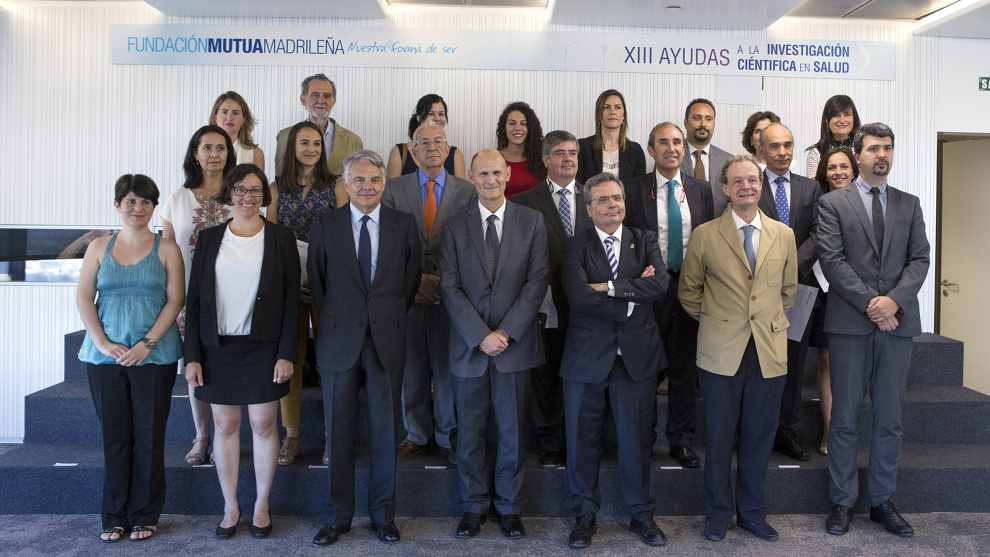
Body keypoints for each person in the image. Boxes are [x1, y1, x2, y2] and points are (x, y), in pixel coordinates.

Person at [679, 155, 798, 543]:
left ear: (760, 185)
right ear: (725, 189)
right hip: (720, 350)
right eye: (738, 181)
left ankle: (751, 512)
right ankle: (717, 513)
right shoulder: (705, 234)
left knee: (759, 437)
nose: (746, 186)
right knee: (718, 438)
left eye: (753, 179)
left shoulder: (783, 234)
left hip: (768, 349)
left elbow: (788, 291)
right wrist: (719, 320)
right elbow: (689, 291)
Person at [820, 123, 930, 538]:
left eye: (887, 147)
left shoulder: (910, 204)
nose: (881, 154)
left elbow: (920, 259)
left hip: (896, 324)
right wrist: (873, 303)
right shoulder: (833, 203)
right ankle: (842, 502)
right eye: (873, 148)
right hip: (851, 323)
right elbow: (832, 260)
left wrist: (893, 301)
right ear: (857, 154)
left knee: (890, 419)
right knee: (845, 417)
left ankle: (882, 502)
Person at [308, 150, 421, 547]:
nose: (367, 186)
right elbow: (318, 284)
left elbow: (409, 283)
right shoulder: (325, 225)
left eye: (374, 179)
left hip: (386, 339)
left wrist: (383, 315)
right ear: (346, 184)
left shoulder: (404, 225)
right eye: (359, 180)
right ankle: (337, 517)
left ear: (383, 183)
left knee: (385, 433)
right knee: (338, 432)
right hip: (339, 339)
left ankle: (383, 516)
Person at [184, 164, 300, 540]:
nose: (247, 197)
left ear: (264, 196)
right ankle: (230, 506)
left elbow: (291, 302)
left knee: (263, 425)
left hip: (265, 348)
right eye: (240, 190)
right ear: (229, 194)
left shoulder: (281, 238)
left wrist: (287, 353)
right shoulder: (209, 238)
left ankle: (261, 505)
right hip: (217, 347)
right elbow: (195, 300)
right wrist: (192, 355)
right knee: (225, 425)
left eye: (255, 190)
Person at [440, 149, 548, 540]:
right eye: (482, 173)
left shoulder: (532, 221)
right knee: (469, 433)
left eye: (496, 173)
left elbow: (537, 282)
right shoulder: (454, 226)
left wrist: (505, 333)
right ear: (471, 177)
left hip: (514, 345)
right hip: (469, 346)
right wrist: (480, 335)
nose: (490, 180)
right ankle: (473, 507)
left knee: (512, 432)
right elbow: (449, 286)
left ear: (507, 175)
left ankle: (509, 508)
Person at [560, 172, 669, 549]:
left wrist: (607, 287)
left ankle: (641, 515)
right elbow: (578, 297)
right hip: (586, 357)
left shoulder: (646, 239)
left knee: (636, 441)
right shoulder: (574, 246)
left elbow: (660, 285)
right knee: (581, 441)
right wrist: (632, 295)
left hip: (636, 358)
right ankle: (583, 516)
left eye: (617, 198)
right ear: (589, 208)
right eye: (603, 199)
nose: (612, 205)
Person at [77, 174, 184, 543]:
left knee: (149, 437)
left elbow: (176, 300)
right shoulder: (98, 247)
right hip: (104, 358)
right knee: (115, 437)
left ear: (154, 207)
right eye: (131, 201)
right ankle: (114, 515)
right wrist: (103, 343)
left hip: (154, 356)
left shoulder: (167, 249)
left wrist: (147, 344)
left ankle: (145, 515)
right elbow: (83, 298)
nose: (138, 208)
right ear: (117, 205)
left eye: (145, 202)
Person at [382, 123, 476, 464]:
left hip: (452, 298)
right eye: (424, 142)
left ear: (448, 150)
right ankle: (416, 435)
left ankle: (448, 435)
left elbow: (472, 245)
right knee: (412, 369)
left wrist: (442, 283)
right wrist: (415, 282)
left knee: (447, 369)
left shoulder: (467, 191)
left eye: (439, 141)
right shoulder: (393, 189)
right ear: (413, 150)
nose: (432, 147)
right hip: (407, 296)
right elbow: (386, 244)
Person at [624, 122, 714, 469]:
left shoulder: (701, 189)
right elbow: (625, 237)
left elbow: (708, 237)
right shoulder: (633, 189)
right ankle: (643, 439)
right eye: (663, 142)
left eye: (677, 141)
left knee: (684, 369)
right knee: (647, 371)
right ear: (651, 150)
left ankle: (681, 440)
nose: (672, 147)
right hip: (649, 291)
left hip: (689, 289)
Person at [266, 120, 345, 466]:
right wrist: (290, 281)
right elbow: (270, 237)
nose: (311, 149)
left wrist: (320, 279)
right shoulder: (275, 188)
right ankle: (292, 435)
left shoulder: (336, 184)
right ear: (292, 148)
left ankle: (331, 434)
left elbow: (345, 236)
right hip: (288, 284)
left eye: (316, 143)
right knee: (291, 359)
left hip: (328, 283)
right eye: (304, 143)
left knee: (329, 360)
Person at [513, 130, 593, 469]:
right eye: (560, 153)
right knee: (545, 375)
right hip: (545, 303)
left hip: (588, 302)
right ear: (545, 159)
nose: (568, 159)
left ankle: (578, 440)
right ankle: (549, 442)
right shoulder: (525, 201)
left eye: (573, 153)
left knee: (581, 374)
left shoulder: (594, 196)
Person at [160, 124, 236, 466]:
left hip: (232, 295)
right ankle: (201, 435)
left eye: (221, 148)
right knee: (194, 364)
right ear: (195, 153)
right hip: (188, 295)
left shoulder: (240, 193)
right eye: (207, 148)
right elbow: (167, 251)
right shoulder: (178, 198)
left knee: (226, 364)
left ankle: (225, 434)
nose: (214, 154)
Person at [758, 122, 822, 462]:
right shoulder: (751, 184)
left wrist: (791, 266)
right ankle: (758, 431)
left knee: (794, 365)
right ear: (762, 150)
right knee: (759, 363)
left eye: (788, 145)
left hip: (799, 289)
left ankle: (787, 432)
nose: (782, 152)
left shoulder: (810, 188)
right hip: (759, 290)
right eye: (774, 146)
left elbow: (819, 233)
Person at [810, 146, 859, 456]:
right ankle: (830, 428)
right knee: (826, 359)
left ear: (854, 170)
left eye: (844, 166)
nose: (838, 172)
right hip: (821, 288)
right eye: (832, 167)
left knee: (852, 362)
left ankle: (846, 428)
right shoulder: (814, 202)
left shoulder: (866, 202)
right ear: (824, 173)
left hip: (856, 292)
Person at [274, 73, 363, 176]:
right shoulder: (285, 136)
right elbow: (281, 178)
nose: (321, 100)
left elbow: (358, 180)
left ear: (333, 101)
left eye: (327, 96)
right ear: (303, 100)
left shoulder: (353, 141)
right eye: (315, 95)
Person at [386, 94, 466, 179]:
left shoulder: (456, 155)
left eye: (441, 114)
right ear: (419, 118)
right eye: (431, 113)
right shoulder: (399, 152)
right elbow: (392, 186)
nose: (437, 118)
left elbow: (460, 186)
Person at [575, 90, 646, 183]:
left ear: (624, 115)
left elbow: (639, 187)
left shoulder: (635, 150)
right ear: (598, 114)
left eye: (617, 107)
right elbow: (578, 186)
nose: (612, 112)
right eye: (606, 107)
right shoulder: (582, 147)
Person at [680, 98, 732, 216]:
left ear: (714, 124)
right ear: (685, 122)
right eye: (697, 118)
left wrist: (719, 224)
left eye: (708, 119)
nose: (703, 124)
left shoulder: (728, 161)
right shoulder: (672, 157)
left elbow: (735, 198)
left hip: (719, 224)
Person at [496, 101, 546, 199]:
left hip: (535, 209)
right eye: (512, 123)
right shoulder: (494, 159)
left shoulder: (542, 159)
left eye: (523, 124)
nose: (518, 128)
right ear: (504, 127)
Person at [805, 95, 861, 178]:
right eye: (836, 115)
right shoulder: (816, 153)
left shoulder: (863, 150)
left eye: (847, 115)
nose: (842, 120)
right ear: (827, 121)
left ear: (854, 119)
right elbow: (813, 184)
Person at [209, 91, 266, 170]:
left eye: (235, 113)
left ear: (243, 119)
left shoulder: (255, 154)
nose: (229, 118)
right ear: (215, 118)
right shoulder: (203, 151)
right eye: (224, 112)